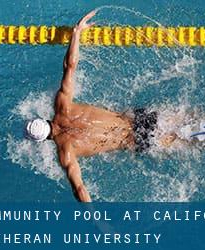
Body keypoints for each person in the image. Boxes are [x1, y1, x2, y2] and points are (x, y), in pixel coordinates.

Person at [25, 11, 177, 202]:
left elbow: (79, 189)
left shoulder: (66, 152)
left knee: (195, 141)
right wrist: (76, 33)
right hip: (139, 118)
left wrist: (99, 223)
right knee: (193, 118)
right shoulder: (62, 105)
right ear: (43, 119)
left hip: (138, 140)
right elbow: (70, 66)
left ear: (43, 140)